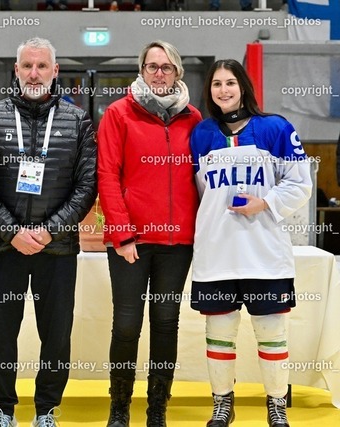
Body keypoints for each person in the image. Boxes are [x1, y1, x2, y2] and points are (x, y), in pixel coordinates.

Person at [0, 37, 97, 427]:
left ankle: (46, 408)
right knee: (1, 332)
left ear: (55, 71)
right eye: (27, 66)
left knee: (56, 333)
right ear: (16, 70)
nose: (34, 73)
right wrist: (11, 232)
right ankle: (4, 408)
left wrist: (48, 231)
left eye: (42, 66)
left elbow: (86, 186)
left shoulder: (77, 121)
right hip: (2, 247)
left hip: (56, 249)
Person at [189, 59, 312, 427]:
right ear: (209, 91)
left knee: (272, 334)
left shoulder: (276, 127)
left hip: (264, 254)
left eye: (230, 82)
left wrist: (266, 202)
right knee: (219, 335)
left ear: (243, 86)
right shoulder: (201, 134)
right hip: (217, 254)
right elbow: (200, 194)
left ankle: (276, 403)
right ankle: (222, 403)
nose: (223, 90)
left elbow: (300, 183)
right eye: (216, 84)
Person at [97, 40, 202, 427]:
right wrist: (122, 233)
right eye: (152, 66)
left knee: (165, 322)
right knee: (126, 325)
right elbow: (107, 175)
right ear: (141, 70)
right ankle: (119, 406)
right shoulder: (118, 113)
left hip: (178, 243)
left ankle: (157, 408)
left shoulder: (193, 118)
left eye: (166, 67)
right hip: (132, 242)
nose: (159, 73)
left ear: (177, 73)